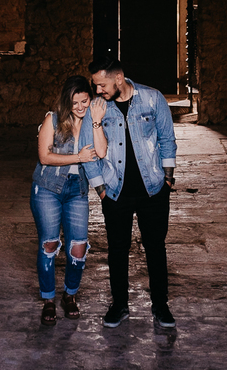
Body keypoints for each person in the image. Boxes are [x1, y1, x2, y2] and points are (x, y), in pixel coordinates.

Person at [87, 57, 178, 329]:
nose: (98, 91)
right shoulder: (97, 108)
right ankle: (119, 305)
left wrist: (168, 180)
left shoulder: (152, 98)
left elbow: (166, 138)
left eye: (101, 85)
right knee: (117, 250)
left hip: (153, 190)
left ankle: (160, 306)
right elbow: (89, 149)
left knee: (155, 248)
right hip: (115, 192)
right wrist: (100, 188)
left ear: (118, 79)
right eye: (95, 86)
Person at [30, 75, 108, 324]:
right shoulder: (52, 119)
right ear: (67, 101)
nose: (80, 107)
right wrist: (78, 158)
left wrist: (96, 123)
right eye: (75, 102)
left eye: (85, 101)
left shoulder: (92, 122)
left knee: (78, 247)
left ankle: (70, 295)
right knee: (50, 244)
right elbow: (44, 157)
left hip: (77, 191)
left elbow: (103, 151)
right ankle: (49, 299)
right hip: (48, 189)